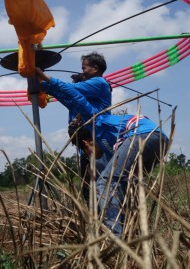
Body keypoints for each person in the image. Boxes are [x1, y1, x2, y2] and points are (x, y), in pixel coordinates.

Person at [37, 67, 169, 237]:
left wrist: (44, 78)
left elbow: (74, 95)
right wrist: (44, 88)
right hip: (160, 139)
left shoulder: (95, 120)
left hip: (142, 135)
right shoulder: (111, 143)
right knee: (129, 184)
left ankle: (115, 238)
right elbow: (66, 99)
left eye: (88, 151)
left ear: (87, 142)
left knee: (104, 183)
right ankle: (132, 231)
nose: (92, 156)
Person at [44, 52, 112, 203]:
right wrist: (43, 85)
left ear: (95, 68)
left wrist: (43, 77)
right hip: (86, 147)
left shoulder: (99, 83)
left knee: (98, 187)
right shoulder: (81, 103)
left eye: (84, 68)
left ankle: (104, 221)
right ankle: (94, 221)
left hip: (97, 144)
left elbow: (68, 89)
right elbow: (66, 96)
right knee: (87, 189)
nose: (82, 72)